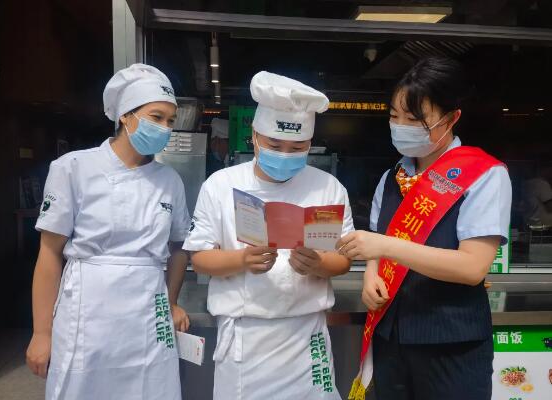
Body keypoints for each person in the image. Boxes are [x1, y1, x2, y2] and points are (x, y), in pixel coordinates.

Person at [337, 57, 512, 400]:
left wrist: (385, 248)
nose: (401, 126)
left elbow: (472, 268)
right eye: (394, 116)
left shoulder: (485, 175)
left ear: (452, 118)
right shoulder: (392, 178)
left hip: (451, 344)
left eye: (415, 120)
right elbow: (377, 245)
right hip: (390, 340)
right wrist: (370, 275)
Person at [183, 71, 354, 400]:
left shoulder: (328, 187)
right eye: (275, 145)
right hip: (246, 337)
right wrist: (241, 260)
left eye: (297, 147)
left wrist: (318, 264)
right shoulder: (221, 185)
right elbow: (200, 258)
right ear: (255, 136)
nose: (285, 154)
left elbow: (343, 260)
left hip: (307, 335)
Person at [25, 64, 191, 400]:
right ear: (126, 116)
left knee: (151, 389)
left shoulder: (169, 180)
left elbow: (179, 248)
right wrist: (41, 332)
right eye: (156, 117)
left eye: (170, 121)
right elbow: (50, 253)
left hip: (150, 309)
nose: (165, 128)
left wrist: (171, 302)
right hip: (87, 310)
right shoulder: (74, 168)